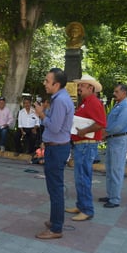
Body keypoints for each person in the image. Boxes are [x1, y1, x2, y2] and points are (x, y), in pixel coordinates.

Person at [34, 68, 74, 239]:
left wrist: (41, 114)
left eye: (47, 80)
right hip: (56, 147)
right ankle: (55, 221)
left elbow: (55, 127)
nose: (45, 83)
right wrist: (46, 111)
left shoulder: (60, 100)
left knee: (56, 189)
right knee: (54, 188)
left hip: (57, 149)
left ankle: (56, 228)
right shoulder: (60, 98)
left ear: (56, 84)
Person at [65, 75, 106, 221]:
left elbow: (101, 123)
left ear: (90, 88)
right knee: (81, 177)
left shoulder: (93, 102)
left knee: (82, 177)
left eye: (82, 86)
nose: (79, 88)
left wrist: (83, 131)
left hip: (86, 144)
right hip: (82, 145)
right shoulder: (87, 102)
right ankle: (81, 206)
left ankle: (87, 209)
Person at [99, 84, 127, 208]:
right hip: (113, 140)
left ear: (124, 92)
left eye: (117, 91)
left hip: (119, 140)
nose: (114, 93)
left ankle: (115, 199)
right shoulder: (118, 105)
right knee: (110, 169)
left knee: (116, 171)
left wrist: (105, 133)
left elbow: (119, 126)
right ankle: (111, 195)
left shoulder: (125, 107)